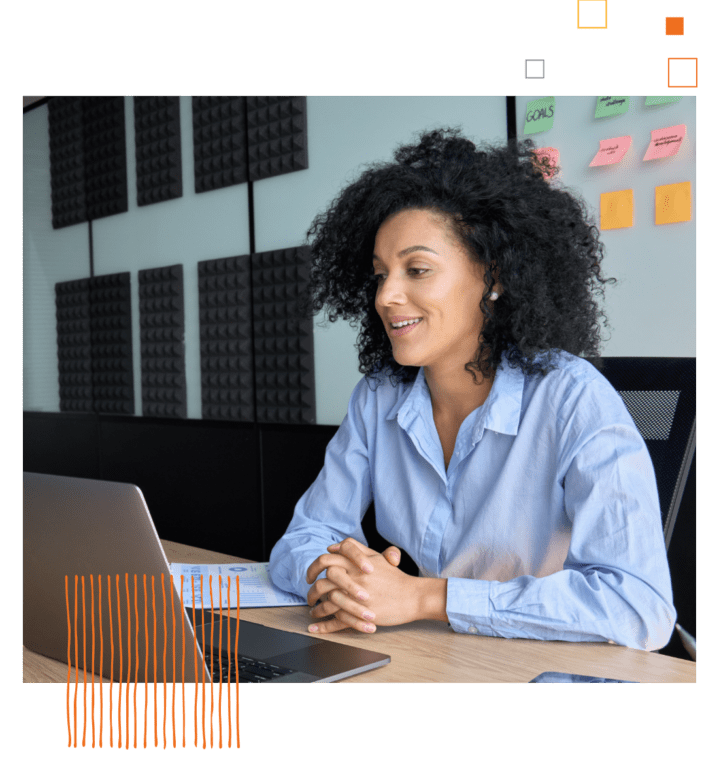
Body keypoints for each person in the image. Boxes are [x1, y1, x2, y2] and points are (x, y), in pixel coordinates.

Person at [268, 126, 677, 650]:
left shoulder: (573, 399)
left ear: (494, 277)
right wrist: (336, 580)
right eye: (379, 274)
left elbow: (638, 606)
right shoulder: (379, 398)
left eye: (417, 269)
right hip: (446, 657)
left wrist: (426, 598)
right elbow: (302, 539)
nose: (388, 296)